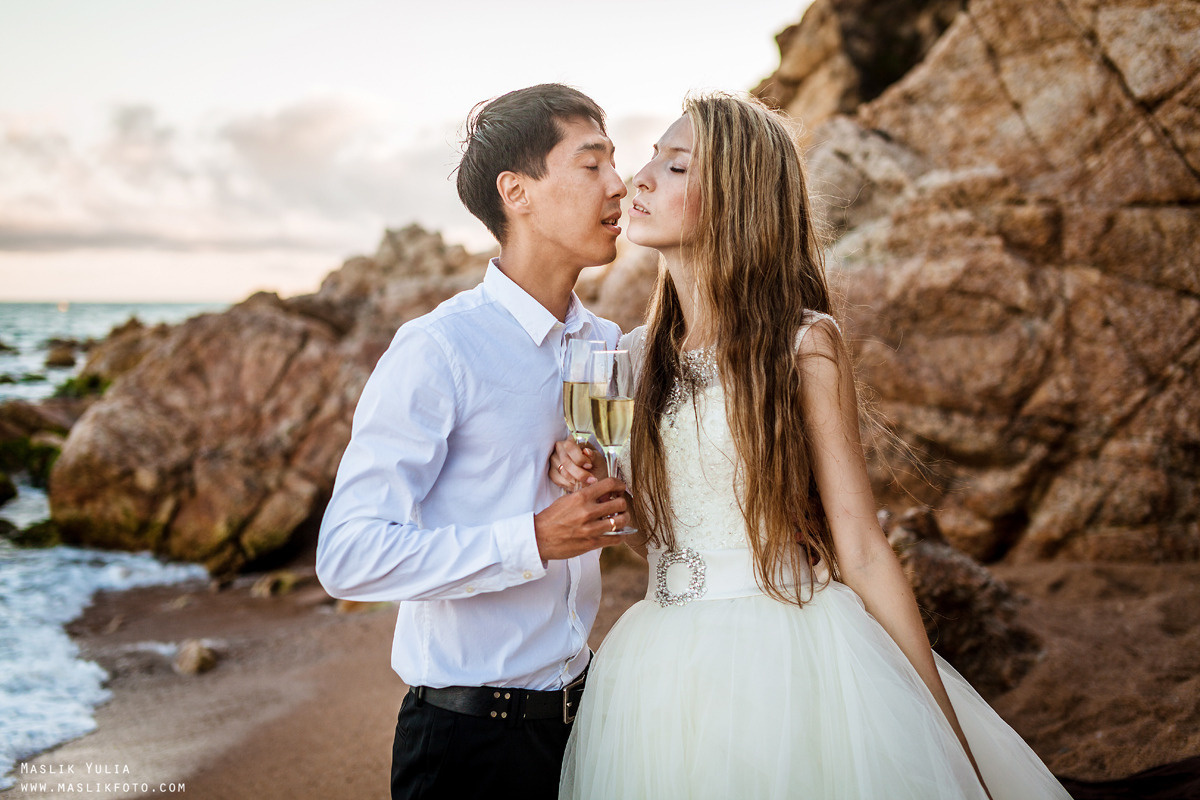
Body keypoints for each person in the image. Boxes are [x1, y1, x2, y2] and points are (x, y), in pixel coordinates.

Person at [550, 93, 1073, 799]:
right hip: (657, 660)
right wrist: (592, 482)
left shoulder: (803, 343)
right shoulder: (638, 356)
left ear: (737, 199)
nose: (639, 179)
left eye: (675, 167)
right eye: (651, 158)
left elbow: (859, 543)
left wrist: (936, 718)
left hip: (790, 649)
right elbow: (656, 527)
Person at [316, 83, 634, 800]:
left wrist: (596, 485)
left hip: (589, 722)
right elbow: (347, 556)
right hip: (467, 741)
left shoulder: (605, 345)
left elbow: (626, 513)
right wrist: (533, 539)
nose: (620, 184)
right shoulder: (439, 349)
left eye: (616, 161)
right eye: (592, 165)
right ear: (516, 192)